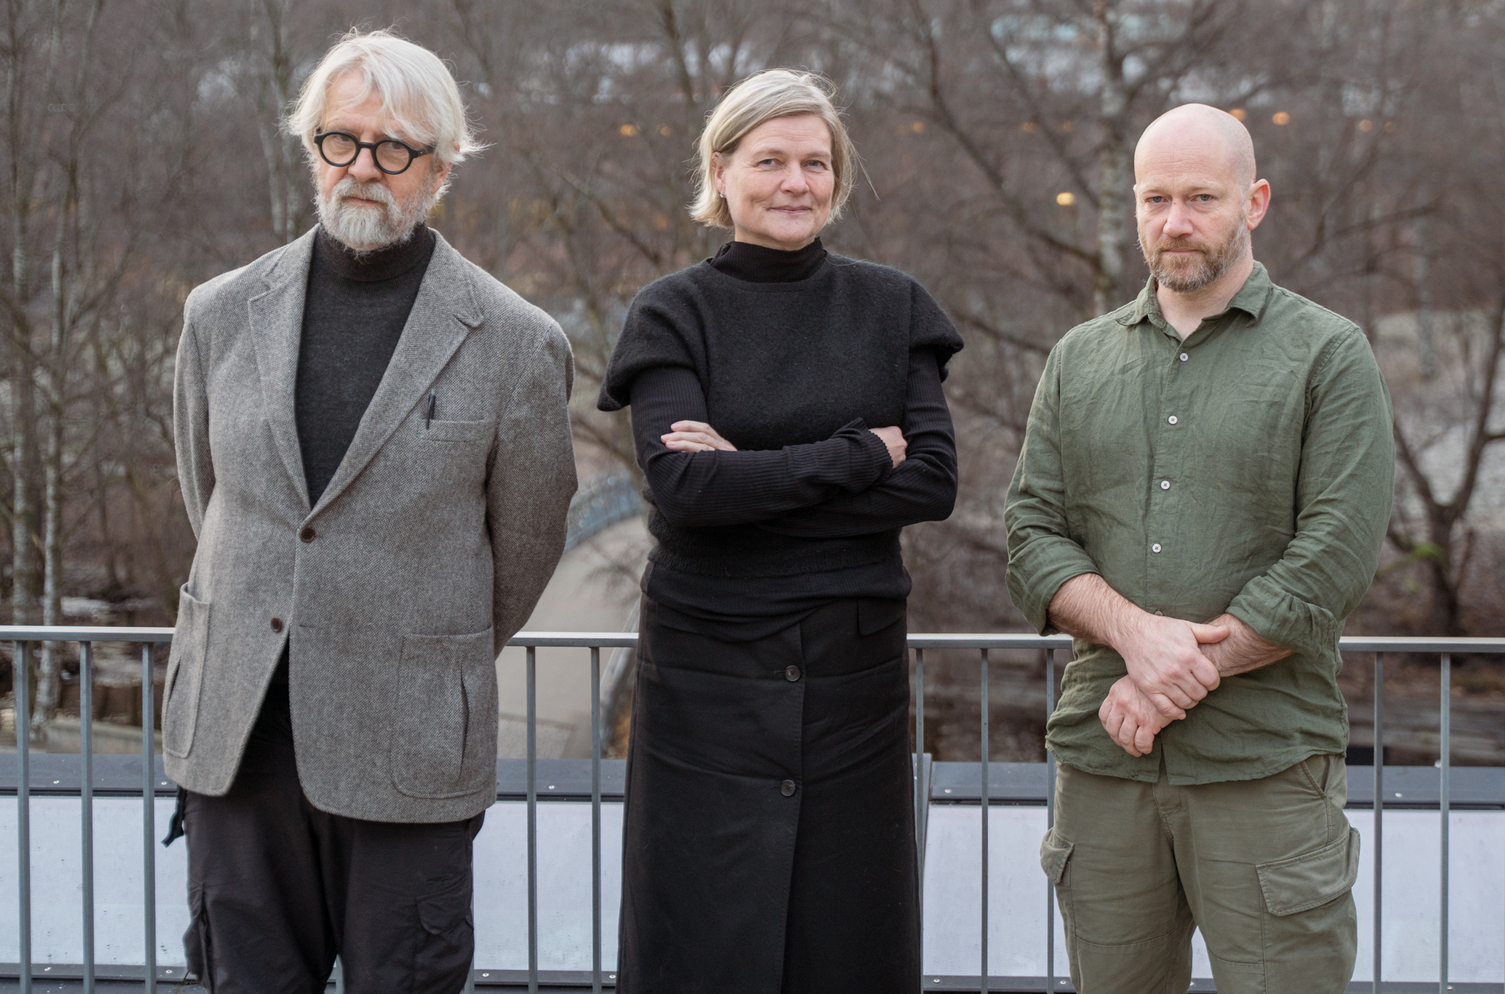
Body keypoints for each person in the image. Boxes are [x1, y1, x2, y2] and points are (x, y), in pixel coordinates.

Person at [163, 29, 577, 993]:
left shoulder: (517, 343)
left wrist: (411, 635)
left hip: (409, 750)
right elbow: (214, 504)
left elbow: (523, 550)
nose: (363, 168)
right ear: (310, 147)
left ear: (440, 169)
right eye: (340, 140)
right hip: (239, 742)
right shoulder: (218, 314)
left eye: (395, 148)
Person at [1005, 103, 1394, 994]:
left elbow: (1332, 558)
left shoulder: (1328, 354)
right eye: (1155, 199)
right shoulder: (1078, 359)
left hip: (1265, 767)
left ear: (1253, 202)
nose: (1174, 222)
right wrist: (1139, 639)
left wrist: (1174, 677)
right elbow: (1030, 536)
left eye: (1201, 198)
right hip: (1104, 767)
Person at [597, 69, 963, 994]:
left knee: (850, 936)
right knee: (700, 931)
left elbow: (931, 482)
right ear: (721, 172)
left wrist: (749, 475)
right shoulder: (672, 312)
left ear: (837, 178)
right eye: (770, 161)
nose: (794, 182)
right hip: (704, 678)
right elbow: (684, 487)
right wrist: (855, 452)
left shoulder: (893, 306)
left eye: (815, 162)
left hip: (855, 671)